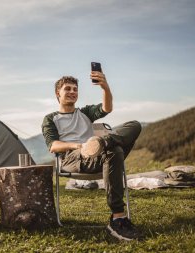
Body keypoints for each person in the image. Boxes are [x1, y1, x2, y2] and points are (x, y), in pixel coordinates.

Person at [41, 69, 143, 241]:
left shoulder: (85, 113)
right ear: (58, 93)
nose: (73, 92)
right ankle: (118, 218)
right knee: (114, 151)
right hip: (72, 157)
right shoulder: (51, 118)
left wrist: (105, 87)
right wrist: (80, 145)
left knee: (134, 125)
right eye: (68, 89)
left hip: (97, 154)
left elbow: (107, 108)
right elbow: (54, 146)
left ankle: (104, 142)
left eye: (75, 89)